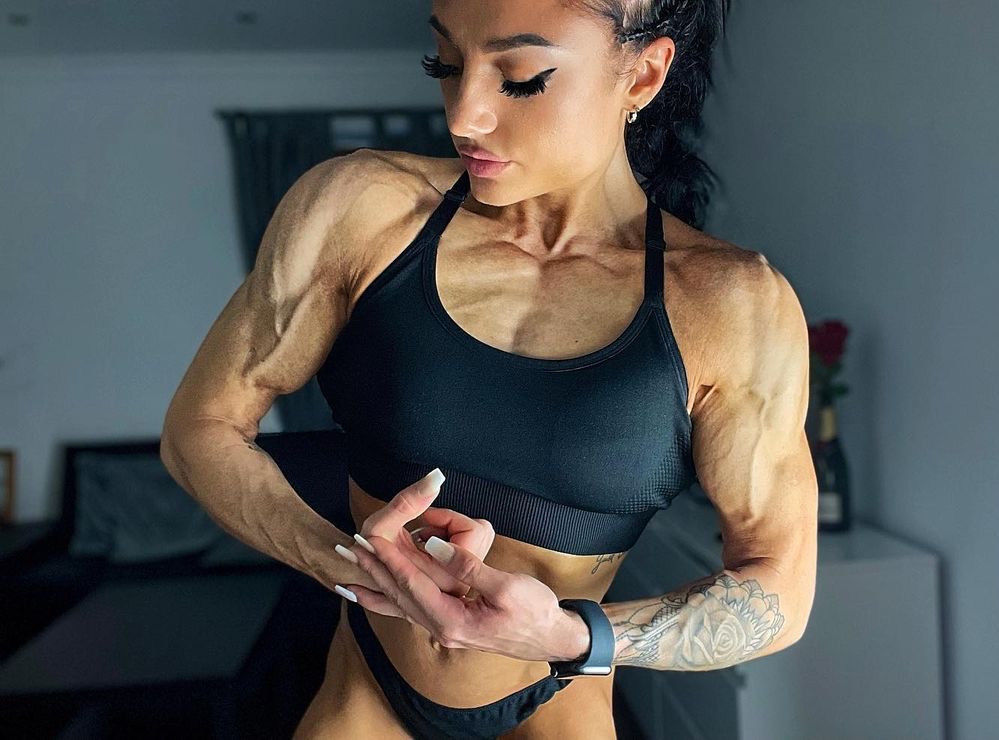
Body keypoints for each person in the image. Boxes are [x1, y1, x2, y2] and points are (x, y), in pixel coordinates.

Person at [160, 0, 819, 737]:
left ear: (642, 74)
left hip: (555, 706)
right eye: (445, 64)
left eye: (523, 77)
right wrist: (351, 564)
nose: (462, 115)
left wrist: (572, 636)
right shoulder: (361, 211)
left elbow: (781, 589)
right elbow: (200, 428)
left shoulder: (732, 304)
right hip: (364, 693)